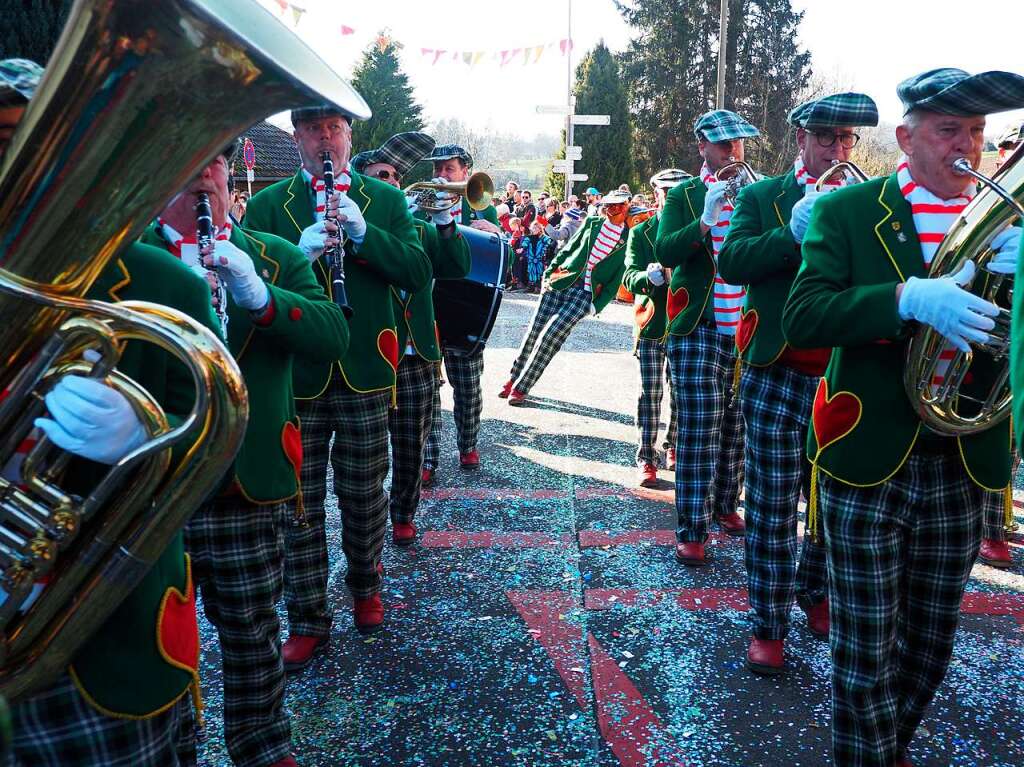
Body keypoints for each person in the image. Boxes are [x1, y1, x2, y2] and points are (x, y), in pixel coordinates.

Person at [782, 67, 1024, 767]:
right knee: (863, 659)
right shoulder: (846, 212)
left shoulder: (1009, 224)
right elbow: (803, 315)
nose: (969, 148)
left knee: (928, 649)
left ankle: (884, 749)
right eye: (950, 129)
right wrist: (904, 298)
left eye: (977, 132)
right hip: (867, 456)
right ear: (907, 136)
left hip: (964, 457)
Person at [0, 58, 217, 767]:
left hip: (94, 640)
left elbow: (216, 447)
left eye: (23, 147)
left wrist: (145, 442)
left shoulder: (160, 283)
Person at [141, 139, 349, 765]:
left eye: (215, 161)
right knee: (154, 629)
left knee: (252, 626)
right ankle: (171, 744)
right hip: (155, 483)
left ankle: (261, 744)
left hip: (244, 478)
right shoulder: (129, 258)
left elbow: (333, 334)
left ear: (231, 177)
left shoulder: (276, 255)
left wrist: (260, 298)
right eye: (189, 156)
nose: (203, 175)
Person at [244, 104, 430, 658]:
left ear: (350, 136)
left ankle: (366, 585)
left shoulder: (388, 200)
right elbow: (247, 284)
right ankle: (308, 615)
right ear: (297, 137)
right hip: (296, 374)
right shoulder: (266, 204)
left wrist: (364, 233)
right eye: (314, 130)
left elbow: (419, 274)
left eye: (335, 130)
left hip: (365, 367)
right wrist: (294, 255)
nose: (325, 139)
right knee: (299, 502)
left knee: (363, 492)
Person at [718, 92, 879, 675]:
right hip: (775, 367)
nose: (838, 149)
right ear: (801, 140)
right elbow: (732, 262)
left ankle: (814, 588)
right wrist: (789, 233)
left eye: (846, 140)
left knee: (832, 500)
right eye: (827, 139)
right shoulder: (763, 196)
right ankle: (768, 622)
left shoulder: (864, 202)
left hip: (840, 373)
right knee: (770, 500)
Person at [350, 132, 471, 543]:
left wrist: (444, 220)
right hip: (371, 352)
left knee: (411, 447)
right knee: (368, 455)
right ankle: (370, 528)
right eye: (380, 175)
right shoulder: (351, 228)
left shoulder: (418, 226)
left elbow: (456, 266)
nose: (391, 181)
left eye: (395, 176)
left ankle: (403, 513)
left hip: (416, 351)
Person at [655, 109, 760, 567]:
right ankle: (692, 528)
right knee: (700, 426)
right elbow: (664, 250)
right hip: (696, 325)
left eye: (738, 142)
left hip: (746, 327)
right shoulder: (684, 193)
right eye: (723, 144)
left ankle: (725, 504)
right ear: (703, 147)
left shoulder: (758, 191)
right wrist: (703, 219)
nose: (733, 150)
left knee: (736, 424)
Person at [500, 190, 635, 405]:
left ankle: (522, 386)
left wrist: (596, 305)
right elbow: (569, 249)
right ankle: (513, 377)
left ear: (626, 207)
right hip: (560, 280)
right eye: (609, 205)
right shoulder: (592, 222)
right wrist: (549, 273)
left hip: (586, 294)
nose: (612, 210)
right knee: (534, 331)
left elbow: (617, 277)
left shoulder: (628, 238)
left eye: (618, 206)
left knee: (551, 336)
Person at [421, 144, 501, 479]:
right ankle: (428, 459)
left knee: (467, 388)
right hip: (426, 303)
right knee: (426, 388)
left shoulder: (480, 203)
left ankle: (467, 444)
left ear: (465, 173)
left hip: (465, 306)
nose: (441, 175)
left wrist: (495, 233)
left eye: (448, 169)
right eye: (437, 168)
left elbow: (500, 256)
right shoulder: (421, 204)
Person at [621, 169, 691, 488]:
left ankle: (672, 444)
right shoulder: (641, 232)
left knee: (680, 393)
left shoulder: (695, 230)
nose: (671, 197)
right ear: (656, 194)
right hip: (652, 323)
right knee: (650, 393)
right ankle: (646, 456)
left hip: (685, 323)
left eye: (678, 191)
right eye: (666, 192)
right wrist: (645, 279)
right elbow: (628, 277)